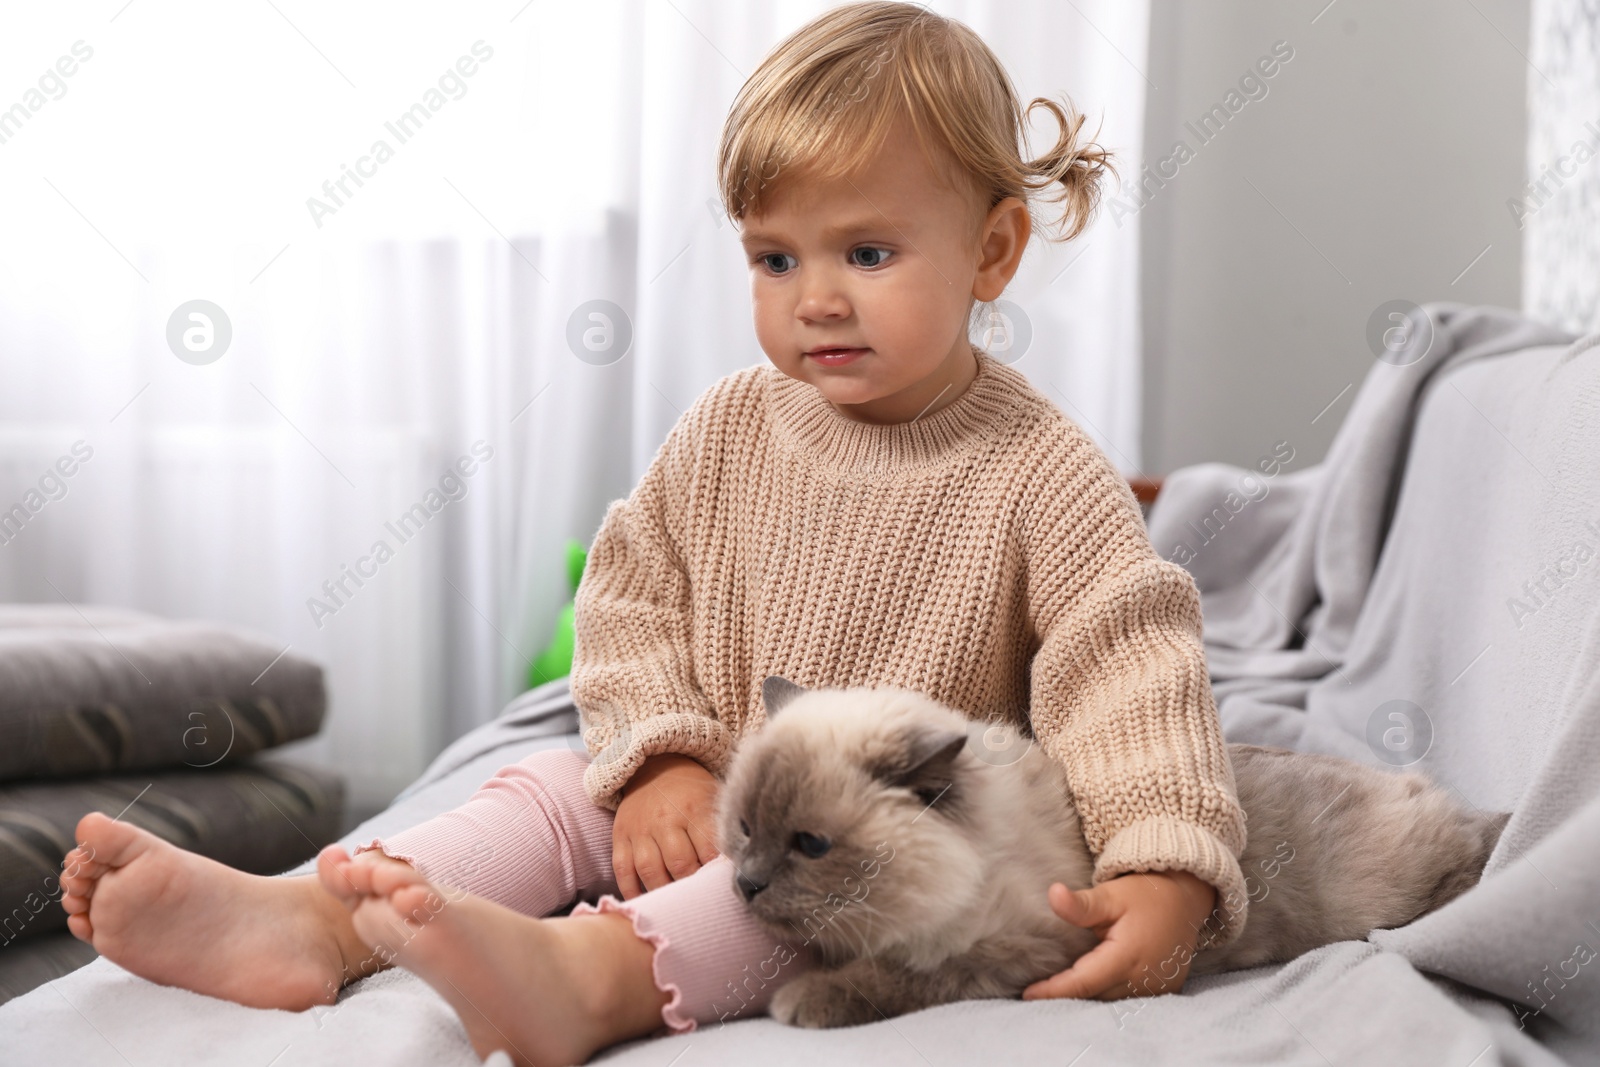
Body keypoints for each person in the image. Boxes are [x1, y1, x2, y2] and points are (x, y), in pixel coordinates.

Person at [57, 4, 1250, 1064]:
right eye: (775, 257)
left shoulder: (1043, 469)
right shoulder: (729, 425)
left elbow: (1128, 667)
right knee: (544, 786)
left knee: (796, 898)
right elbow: (629, 599)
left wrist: (1166, 861)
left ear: (991, 249)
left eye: (867, 252)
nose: (815, 297)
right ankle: (314, 923)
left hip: (858, 846)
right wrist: (662, 754)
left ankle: (584, 981)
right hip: (705, 783)